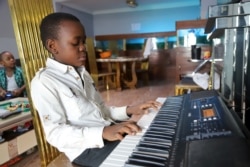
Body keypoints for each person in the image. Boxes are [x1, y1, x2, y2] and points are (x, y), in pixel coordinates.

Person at [30, 12, 161, 167]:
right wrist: (103, 132)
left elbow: (102, 112)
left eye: (84, 41)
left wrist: (131, 109)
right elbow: (55, 134)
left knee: (156, 143)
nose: (83, 48)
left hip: (107, 133)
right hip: (87, 150)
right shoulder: (44, 82)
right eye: (75, 43)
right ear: (53, 46)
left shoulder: (82, 73)